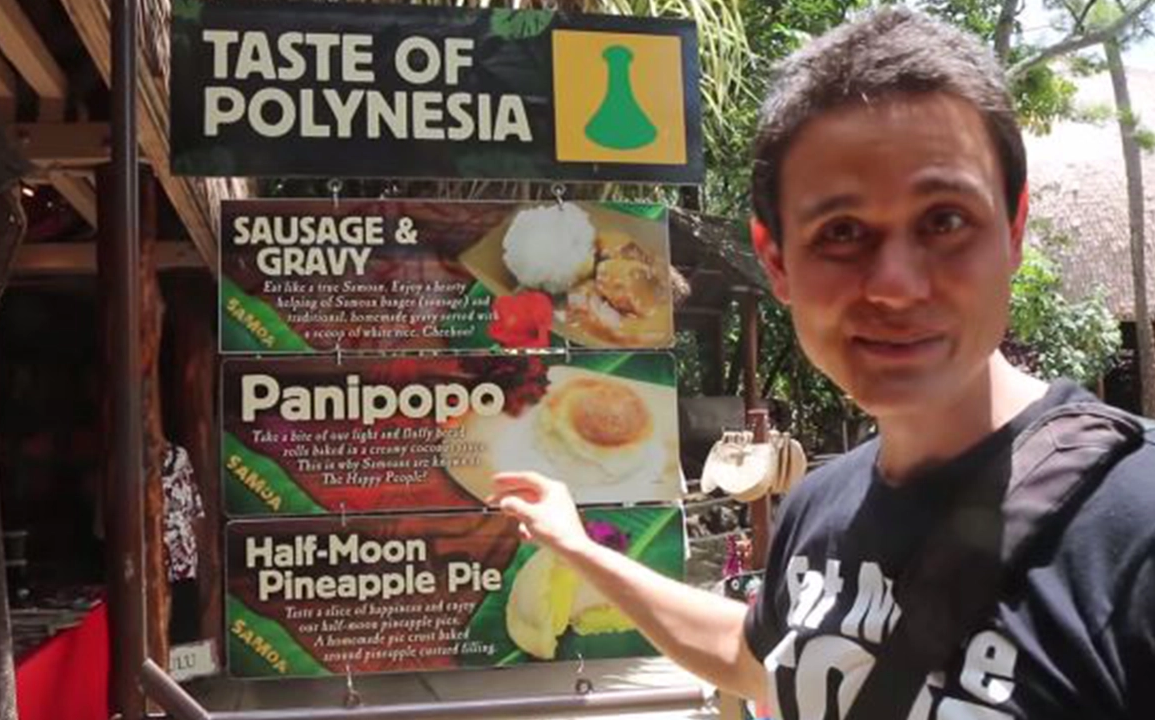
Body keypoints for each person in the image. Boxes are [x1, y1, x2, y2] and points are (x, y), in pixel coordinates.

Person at [487, 7, 1155, 719]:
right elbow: (752, 659)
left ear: (1013, 230)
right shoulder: (819, 508)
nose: (896, 285)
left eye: (945, 220)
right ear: (777, 261)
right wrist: (576, 546)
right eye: (841, 232)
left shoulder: (1135, 525)